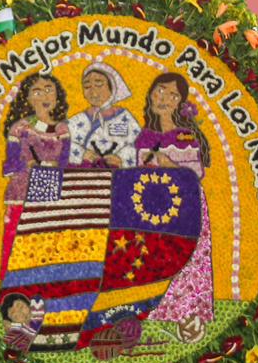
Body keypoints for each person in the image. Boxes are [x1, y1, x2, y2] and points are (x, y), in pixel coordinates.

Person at [137, 72, 213, 336]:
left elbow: (196, 173)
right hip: (153, 203)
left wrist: (169, 164)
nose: (164, 98)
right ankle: (155, 312)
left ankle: (189, 316)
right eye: (159, 91)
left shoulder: (185, 136)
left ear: (180, 102)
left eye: (172, 94)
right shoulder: (143, 136)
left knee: (189, 257)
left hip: (186, 202)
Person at [0, 73, 71, 280]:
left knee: (49, 244)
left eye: (49, 89)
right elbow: (11, 163)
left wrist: (51, 168)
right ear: (28, 98)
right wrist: (28, 164)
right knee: (16, 240)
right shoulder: (20, 128)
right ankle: (10, 288)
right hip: (23, 191)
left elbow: (65, 162)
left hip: (52, 192)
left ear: (57, 96)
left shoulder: (62, 129)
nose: (44, 96)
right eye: (37, 91)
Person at [66, 62, 140, 168]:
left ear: (112, 87)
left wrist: (121, 159)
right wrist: (82, 154)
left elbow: (139, 145)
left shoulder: (124, 117)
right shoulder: (78, 119)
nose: (93, 92)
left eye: (99, 85)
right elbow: (60, 144)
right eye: (87, 86)